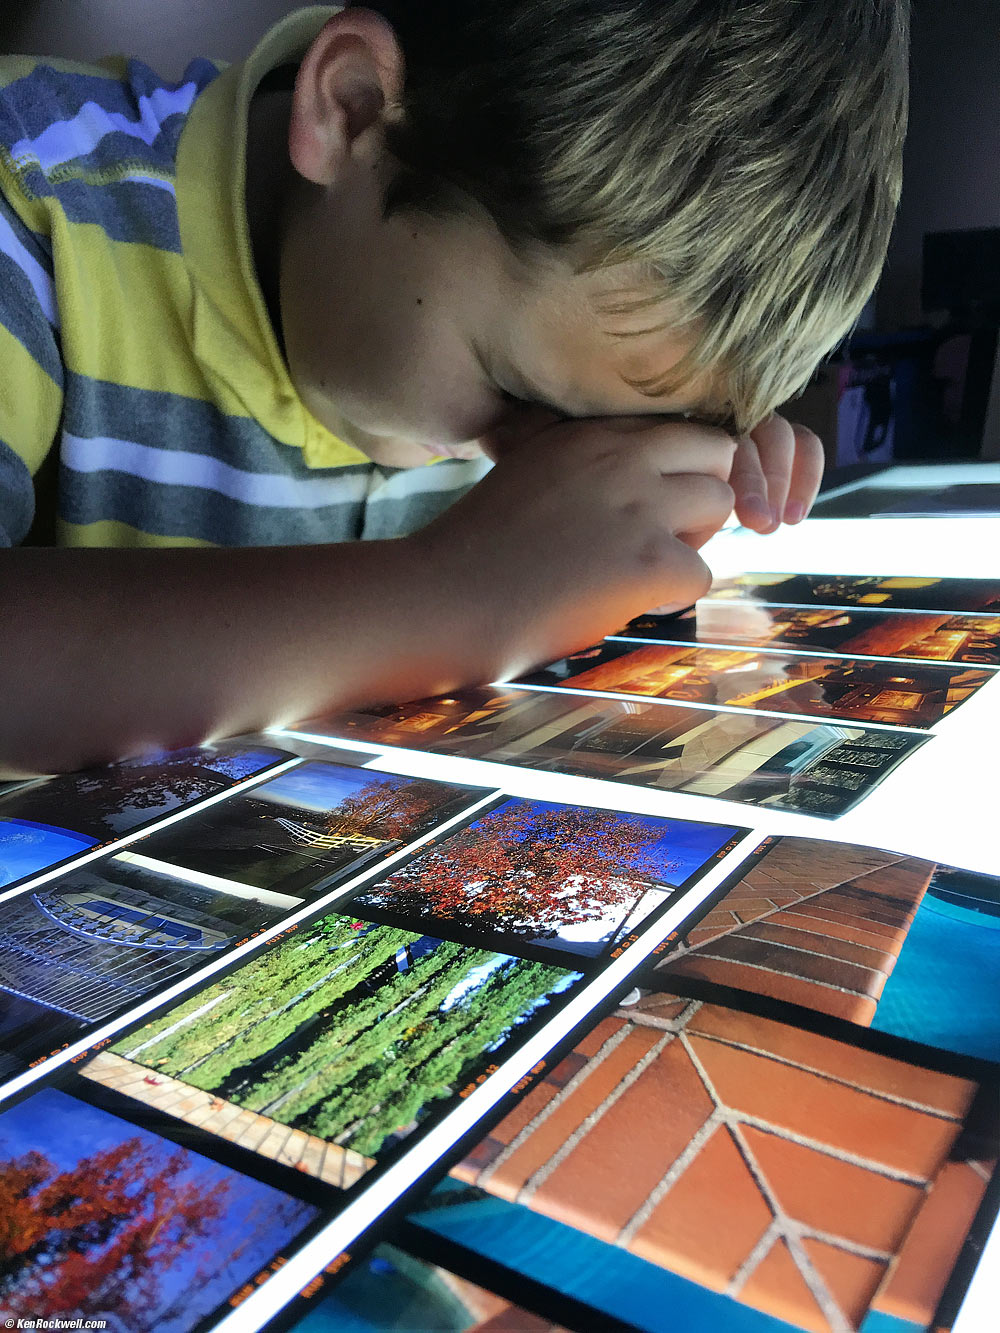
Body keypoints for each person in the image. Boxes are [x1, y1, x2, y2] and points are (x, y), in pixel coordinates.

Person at [0, 0, 908, 776]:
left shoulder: (518, 314)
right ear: (352, 108)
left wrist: (665, 515)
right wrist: (450, 594)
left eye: (610, 432)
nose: (537, 467)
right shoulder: (31, 188)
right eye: (517, 389)